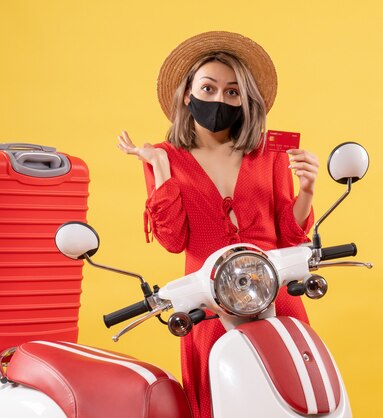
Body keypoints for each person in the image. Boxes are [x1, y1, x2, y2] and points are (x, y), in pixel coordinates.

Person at [117, 31, 319, 418]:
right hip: (208, 302)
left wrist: (307, 190)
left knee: (298, 394)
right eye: (208, 88)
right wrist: (161, 169)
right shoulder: (162, 156)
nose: (219, 100)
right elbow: (174, 241)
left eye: (231, 92)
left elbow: (290, 235)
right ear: (187, 94)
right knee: (220, 401)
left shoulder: (269, 153)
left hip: (275, 294)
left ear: (246, 100)